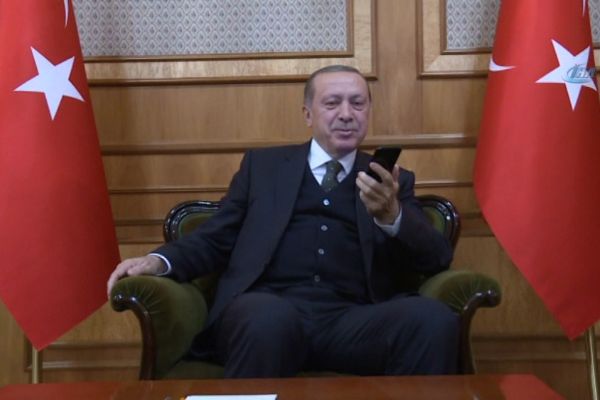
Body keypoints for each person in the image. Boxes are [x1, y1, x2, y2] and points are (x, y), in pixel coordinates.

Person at [107, 65, 458, 378]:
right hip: (269, 307)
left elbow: (436, 258)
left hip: (353, 320)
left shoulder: (390, 180)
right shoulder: (263, 168)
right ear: (308, 114)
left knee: (432, 320)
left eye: (357, 103)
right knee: (268, 319)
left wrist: (393, 216)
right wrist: (158, 261)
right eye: (332, 103)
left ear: (369, 111)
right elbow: (215, 238)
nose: (346, 114)